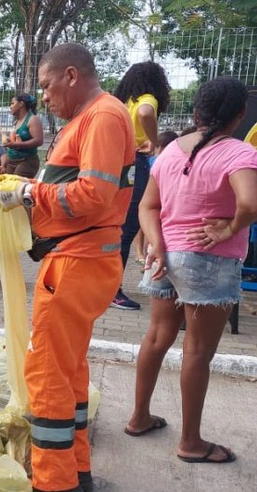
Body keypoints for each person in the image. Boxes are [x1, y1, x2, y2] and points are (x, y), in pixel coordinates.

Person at [0, 43, 134, 492]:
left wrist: (31, 192)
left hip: (78, 260)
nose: (44, 97)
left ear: (71, 76)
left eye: (48, 86)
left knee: (49, 371)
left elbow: (95, 194)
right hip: (81, 259)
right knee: (69, 368)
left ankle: (54, 485)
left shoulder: (102, 117)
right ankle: (76, 468)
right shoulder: (95, 117)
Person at [126, 77, 257, 464]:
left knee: (156, 338)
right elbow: (251, 204)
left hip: (166, 259)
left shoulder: (169, 153)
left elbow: (147, 207)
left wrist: (157, 243)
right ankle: (191, 442)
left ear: (196, 112)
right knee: (198, 352)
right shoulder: (238, 153)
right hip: (209, 260)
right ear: (239, 115)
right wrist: (229, 228)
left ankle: (139, 417)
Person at [110, 61, 171, 310]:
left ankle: (105, 286)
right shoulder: (147, 99)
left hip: (118, 162)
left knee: (115, 226)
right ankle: (113, 291)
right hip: (136, 164)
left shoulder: (124, 101)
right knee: (128, 227)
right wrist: (155, 142)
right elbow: (146, 113)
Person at [132, 130, 180, 263]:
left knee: (146, 225)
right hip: (153, 198)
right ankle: (142, 253)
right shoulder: (156, 161)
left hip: (152, 200)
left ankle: (144, 254)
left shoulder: (154, 160)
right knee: (148, 224)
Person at [3, 93, 44, 178]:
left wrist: (18, 145)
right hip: (12, 161)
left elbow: (39, 140)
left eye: (12, 103)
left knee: (15, 186)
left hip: (26, 161)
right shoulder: (17, 121)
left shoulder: (32, 119)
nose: (10, 106)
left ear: (21, 104)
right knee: (7, 187)